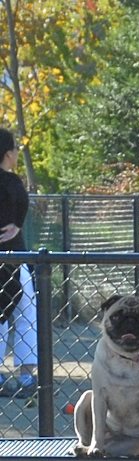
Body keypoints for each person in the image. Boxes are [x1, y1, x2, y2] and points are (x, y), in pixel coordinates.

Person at [0, 127, 38, 398]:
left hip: (12, 257)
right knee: (25, 313)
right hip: (14, 257)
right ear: (8, 153)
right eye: (13, 150)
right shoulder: (11, 182)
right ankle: (26, 376)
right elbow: (20, 210)